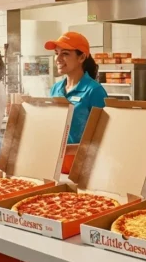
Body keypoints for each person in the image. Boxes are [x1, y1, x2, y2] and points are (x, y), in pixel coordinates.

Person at [44, 32, 108, 173]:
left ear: (82, 57)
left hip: (84, 168)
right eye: (56, 53)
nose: (58, 59)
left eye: (65, 54)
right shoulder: (55, 89)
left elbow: (104, 138)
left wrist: (69, 149)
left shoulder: (94, 91)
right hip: (57, 165)